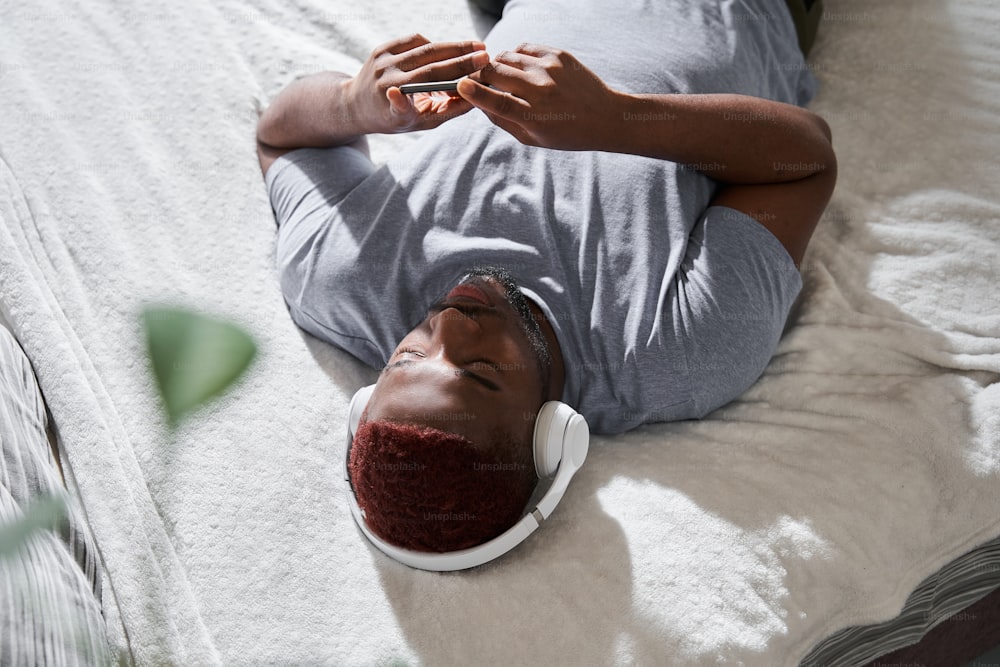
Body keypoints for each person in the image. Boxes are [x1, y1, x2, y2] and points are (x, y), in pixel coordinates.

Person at [257, 0, 836, 554]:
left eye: (405, 358)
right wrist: (618, 118)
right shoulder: (677, 351)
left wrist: (350, 104)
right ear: (549, 433)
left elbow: (281, 137)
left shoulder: (341, 279)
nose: (449, 327)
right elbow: (804, 161)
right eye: (479, 372)